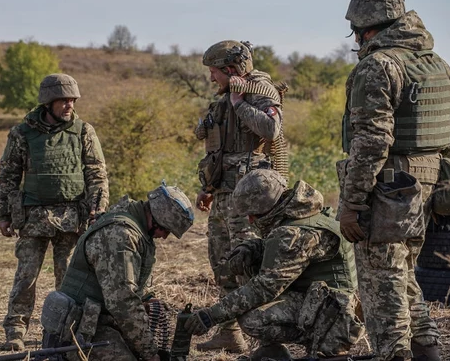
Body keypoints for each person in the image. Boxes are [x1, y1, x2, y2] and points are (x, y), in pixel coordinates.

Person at [339, 0, 450, 361]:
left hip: (390, 186)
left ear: (366, 28)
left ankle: (394, 354)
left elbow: (372, 141)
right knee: (403, 273)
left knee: (382, 285)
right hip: (427, 183)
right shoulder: (437, 64)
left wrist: (352, 202)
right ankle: (426, 348)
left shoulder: (378, 66)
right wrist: (447, 190)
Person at [184, 169, 364, 360]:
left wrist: (211, 315)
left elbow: (263, 289)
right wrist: (254, 247)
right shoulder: (304, 212)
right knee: (248, 258)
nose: (250, 220)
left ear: (267, 209)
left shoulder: (292, 234)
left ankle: (323, 345)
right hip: (325, 301)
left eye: (253, 214)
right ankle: (272, 350)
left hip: (334, 318)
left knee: (251, 318)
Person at [0, 73, 109, 350]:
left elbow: (97, 173)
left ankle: (66, 333)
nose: (69, 105)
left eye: (72, 100)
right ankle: (15, 331)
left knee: (70, 281)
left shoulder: (83, 131)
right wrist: (4, 214)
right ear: (48, 102)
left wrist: (97, 209)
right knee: (26, 277)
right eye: (63, 100)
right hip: (33, 218)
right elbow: (7, 176)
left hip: (71, 217)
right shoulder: (22, 133)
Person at [193, 40, 284, 353]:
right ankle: (230, 333)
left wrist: (240, 103)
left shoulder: (258, 91)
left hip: (249, 199)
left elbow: (272, 130)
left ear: (230, 70)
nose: (211, 78)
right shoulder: (224, 99)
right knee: (222, 263)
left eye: (214, 72)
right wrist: (208, 187)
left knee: (248, 265)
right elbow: (218, 149)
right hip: (223, 194)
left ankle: (266, 341)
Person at [39, 183, 195, 361]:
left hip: (98, 322)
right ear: (156, 217)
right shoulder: (120, 235)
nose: (165, 237)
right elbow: (123, 303)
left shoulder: (132, 220)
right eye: (165, 230)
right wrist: (151, 354)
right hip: (77, 332)